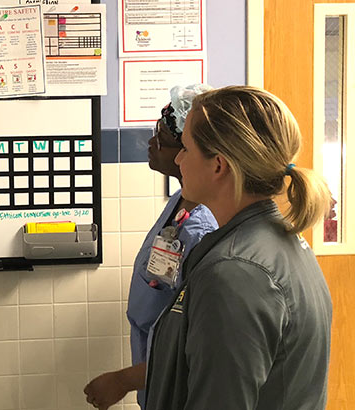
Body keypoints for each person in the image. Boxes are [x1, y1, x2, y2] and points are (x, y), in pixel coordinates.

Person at [145, 86, 333, 409]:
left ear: (219, 166)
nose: (177, 158)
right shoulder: (275, 243)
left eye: (186, 149)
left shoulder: (235, 272)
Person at [84, 84, 217, 410]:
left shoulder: (203, 229)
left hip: (178, 388)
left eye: (164, 139)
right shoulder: (179, 203)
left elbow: (194, 345)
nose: (151, 144)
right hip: (155, 374)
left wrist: (123, 380)